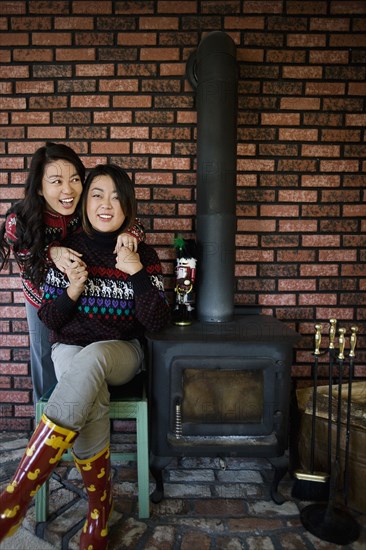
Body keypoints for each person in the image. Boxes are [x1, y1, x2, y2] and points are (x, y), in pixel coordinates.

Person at [0, 163, 171, 549]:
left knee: (90, 361)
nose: (106, 204)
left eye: (115, 197)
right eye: (97, 194)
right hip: (70, 350)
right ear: (85, 203)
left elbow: (157, 322)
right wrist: (72, 290)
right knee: (86, 384)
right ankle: (99, 509)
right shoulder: (66, 251)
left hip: (122, 353)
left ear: (128, 206)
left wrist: (138, 273)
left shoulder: (140, 252)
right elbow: (50, 318)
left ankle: (19, 491)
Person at [0, 143, 145, 403]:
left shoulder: (83, 207)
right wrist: (52, 252)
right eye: (56, 181)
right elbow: (30, 266)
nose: (68, 190)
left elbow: (131, 221)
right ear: (39, 188)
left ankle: (82, 422)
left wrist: (128, 233)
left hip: (84, 295)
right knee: (45, 360)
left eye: (75, 179)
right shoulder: (19, 221)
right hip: (43, 298)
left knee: (84, 363)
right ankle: (46, 425)